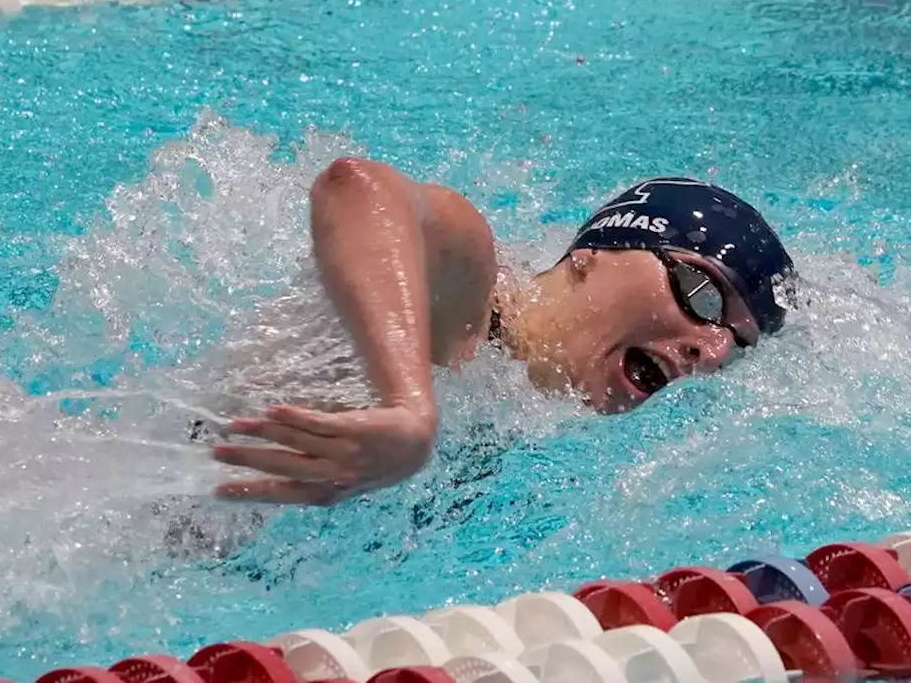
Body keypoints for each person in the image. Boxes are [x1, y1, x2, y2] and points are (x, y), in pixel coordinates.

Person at [209, 157, 796, 506]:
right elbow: (356, 188)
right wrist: (407, 404)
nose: (712, 350)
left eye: (735, 345)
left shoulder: (535, 422)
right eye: (701, 293)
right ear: (594, 254)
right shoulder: (468, 298)